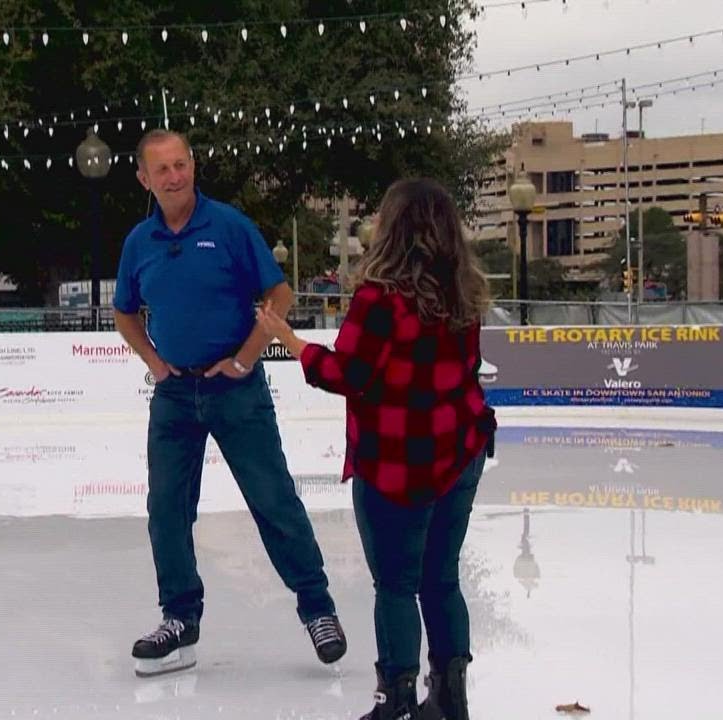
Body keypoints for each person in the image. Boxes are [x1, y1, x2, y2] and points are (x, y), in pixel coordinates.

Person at [256, 178, 496, 720]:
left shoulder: (378, 298)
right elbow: (467, 372)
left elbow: (351, 374)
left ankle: (396, 700)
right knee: (441, 577)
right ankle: (450, 697)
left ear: (391, 229)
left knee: (395, 584)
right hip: (459, 449)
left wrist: (292, 343)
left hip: (396, 460)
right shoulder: (465, 292)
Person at [112, 129, 346, 677]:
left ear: (193, 166)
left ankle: (318, 608)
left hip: (236, 391)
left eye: (182, 165)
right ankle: (179, 619)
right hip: (174, 394)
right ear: (145, 179)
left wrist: (245, 357)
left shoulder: (229, 226)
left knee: (273, 499)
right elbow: (125, 312)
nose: (175, 177)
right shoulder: (138, 243)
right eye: (162, 170)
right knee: (167, 508)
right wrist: (153, 361)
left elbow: (279, 294)